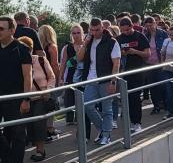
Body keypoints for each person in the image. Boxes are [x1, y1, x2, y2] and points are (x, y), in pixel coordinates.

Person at [0, 16, 32, 163]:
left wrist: (26, 99)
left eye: (1, 28)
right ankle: (7, 158)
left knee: (18, 132)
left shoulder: (22, 49)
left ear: (12, 31)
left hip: (16, 97)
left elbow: (28, 76)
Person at [77, 18, 121, 146]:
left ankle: (106, 135)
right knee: (87, 105)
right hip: (91, 80)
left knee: (107, 109)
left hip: (105, 80)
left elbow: (116, 63)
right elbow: (79, 58)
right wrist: (85, 44)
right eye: (92, 30)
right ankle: (103, 130)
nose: (94, 32)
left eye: (97, 30)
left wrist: (113, 82)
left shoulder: (112, 42)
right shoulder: (89, 41)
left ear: (103, 28)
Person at [17, 36, 54, 162]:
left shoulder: (41, 60)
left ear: (31, 49)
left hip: (40, 97)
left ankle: (40, 150)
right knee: (25, 126)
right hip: (23, 99)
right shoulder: (16, 63)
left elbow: (51, 77)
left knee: (39, 123)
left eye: (27, 49)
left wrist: (47, 90)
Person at [116, 18, 150, 133]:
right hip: (124, 72)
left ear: (132, 26)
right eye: (123, 30)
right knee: (127, 98)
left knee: (135, 97)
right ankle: (131, 122)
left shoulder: (140, 36)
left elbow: (147, 54)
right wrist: (122, 53)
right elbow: (114, 55)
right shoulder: (118, 39)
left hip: (138, 71)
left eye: (128, 29)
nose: (125, 32)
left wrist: (135, 52)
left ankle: (137, 122)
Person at [58, 24, 84, 125]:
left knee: (81, 97)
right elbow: (64, 63)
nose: (76, 35)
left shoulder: (87, 45)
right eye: (74, 33)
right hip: (71, 75)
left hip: (84, 75)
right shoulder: (67, 47)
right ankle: (69, 118)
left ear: (82, 33)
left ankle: (80, 117)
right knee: (69, 97)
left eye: (78, 33)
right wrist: (60, 78)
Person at [38, 25, 60, 140]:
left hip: (39, 79)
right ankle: (49, 129)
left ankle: (41, 130)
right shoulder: (52, 47)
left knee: (41, 104)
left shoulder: (38, 48)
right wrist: (58, 79)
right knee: (51, 104)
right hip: (49, 79)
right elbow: (55, 65)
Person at [143, 16, 168, 114]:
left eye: (151, 24)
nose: (149, 27)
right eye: (147, 25)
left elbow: (168, 46)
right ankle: (156, 106)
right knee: (152, 87)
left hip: (160, 64)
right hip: (149, 64)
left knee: (163, 85)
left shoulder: (163, 34)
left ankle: (166, 104)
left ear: (155, 23)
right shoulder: (145, 35)